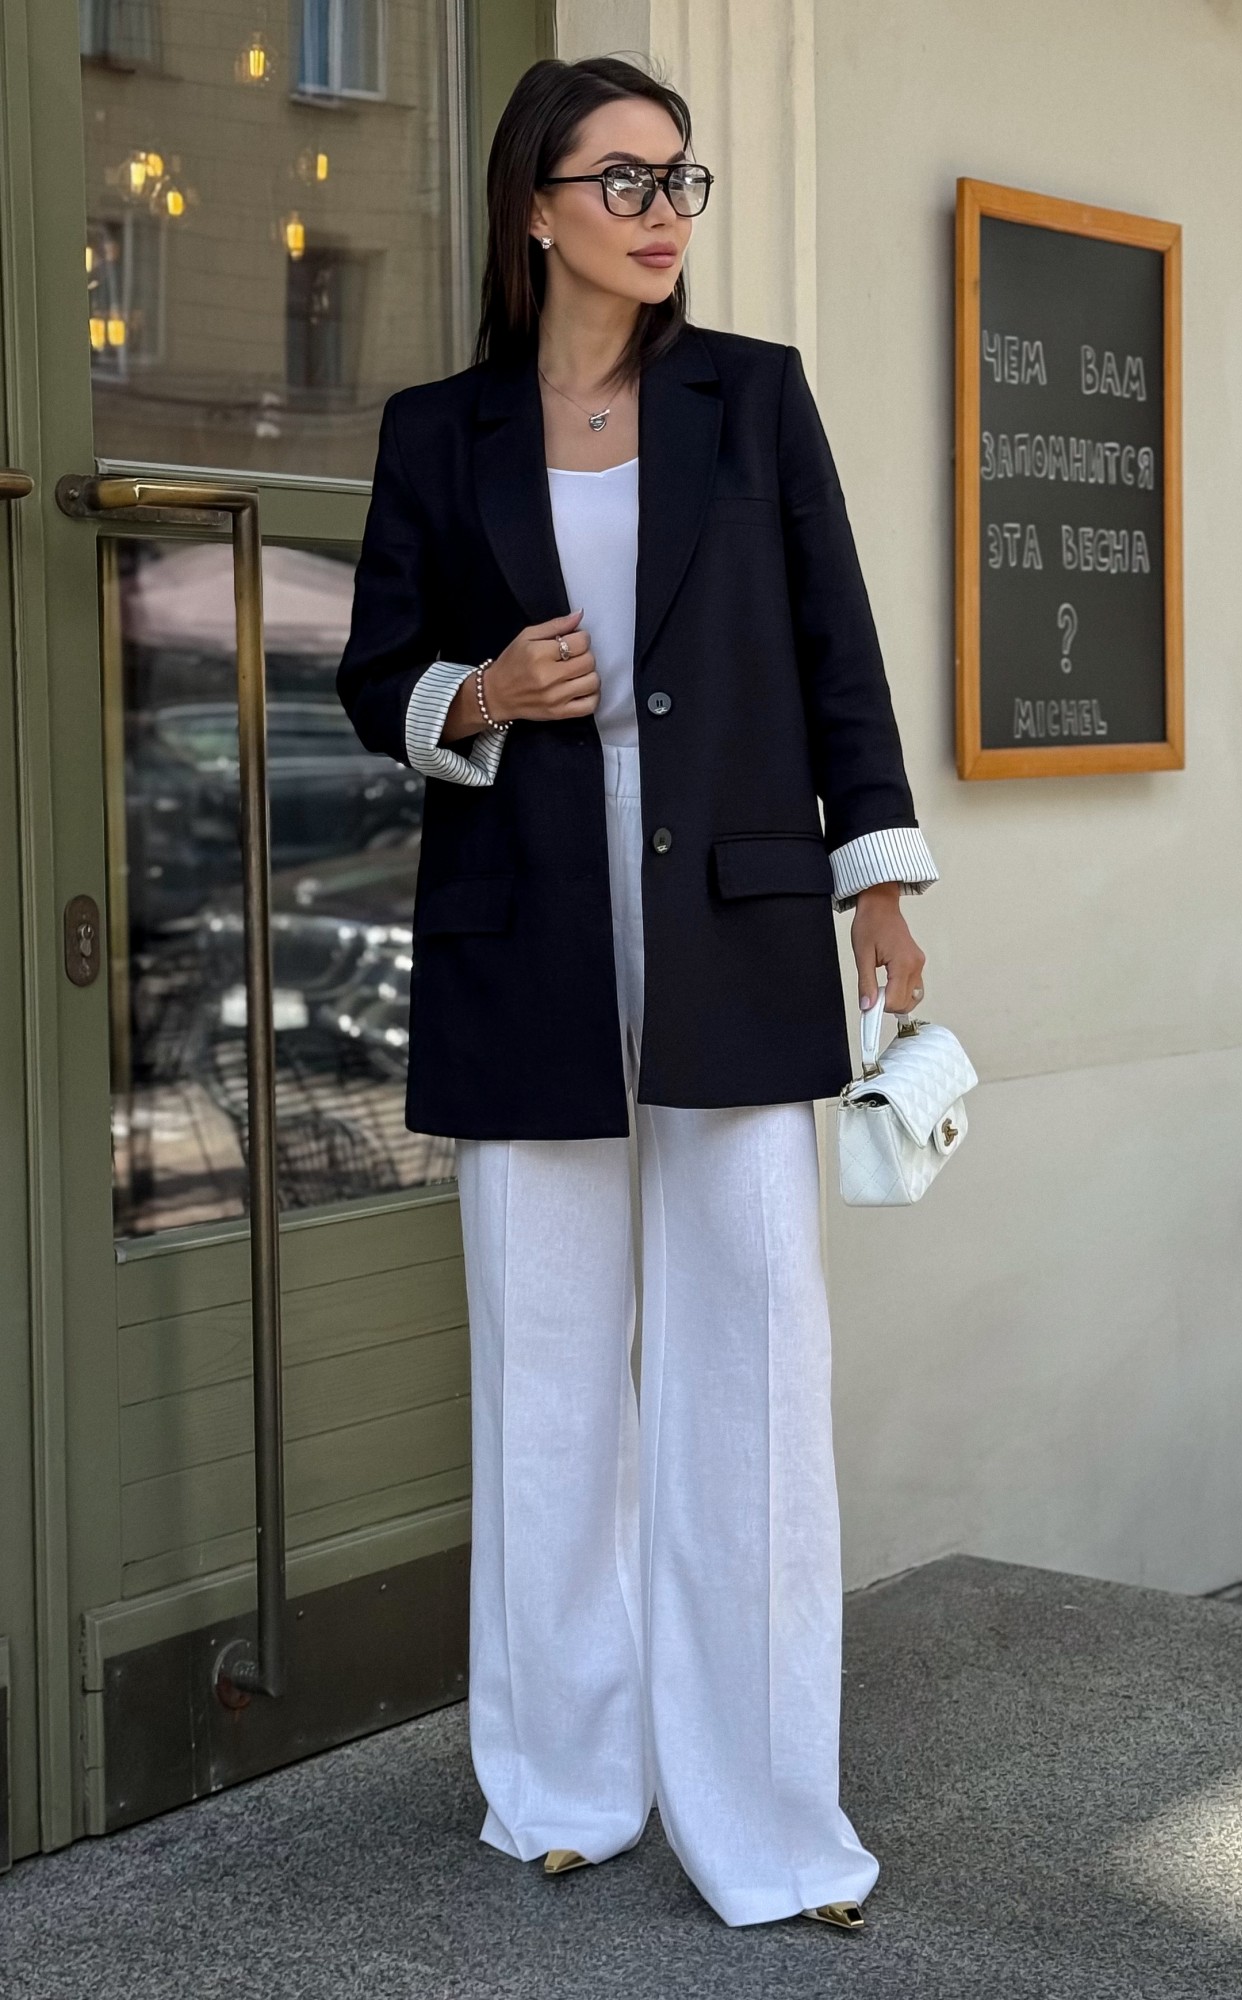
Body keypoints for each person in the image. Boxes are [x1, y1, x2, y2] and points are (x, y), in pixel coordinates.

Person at [336, 52, 938, 1932]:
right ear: (536, 207)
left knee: (749, 1365)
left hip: (733, 921)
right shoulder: (438, 430)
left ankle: (768, 1819)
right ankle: (562, 1780)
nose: (664, 210)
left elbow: (837, 651)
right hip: (522, 928)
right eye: (624, 179)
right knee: (544, 1373)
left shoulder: (751, 397)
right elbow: (372, 672)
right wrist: (482, 693)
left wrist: (877, 882)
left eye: (681, 178)